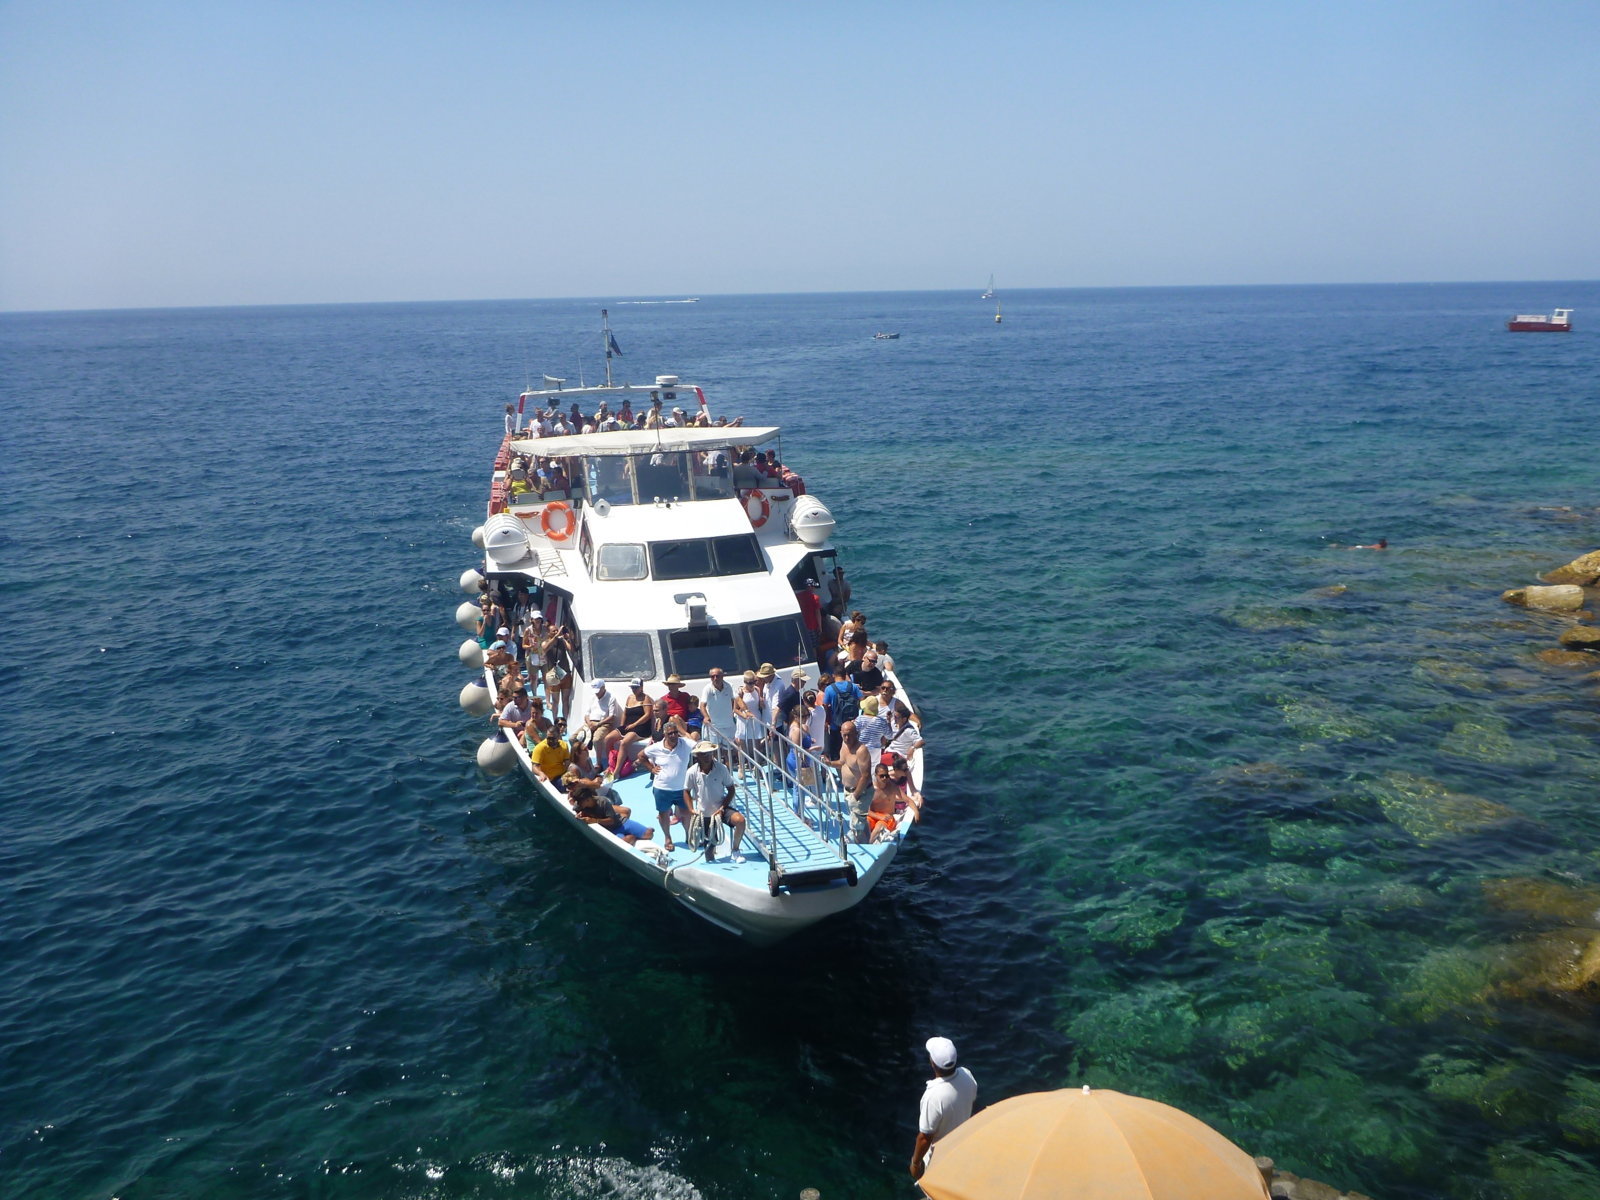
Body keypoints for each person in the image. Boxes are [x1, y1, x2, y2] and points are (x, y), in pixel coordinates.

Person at [910, 1037, 977, 1182]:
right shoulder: (967, 1075)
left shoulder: (933, 1096)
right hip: (962, 1147)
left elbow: (924, 1138)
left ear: (932, 1063)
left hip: (940, 1158)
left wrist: (915, 1163)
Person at [685, 740, 745, 862]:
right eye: (703, 754)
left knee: (740, 821)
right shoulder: (691, 772)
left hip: (722, 808)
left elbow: (731, 789)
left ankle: (735, 850)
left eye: (709, 753)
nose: (707, 756)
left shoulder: (722, 769)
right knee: (709, 852)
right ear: (698, 756)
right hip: (704, 813)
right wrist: (691, 809)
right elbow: (686, 791)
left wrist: (722, 808)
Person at [641, 723, 694, 850]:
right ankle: (668, 838)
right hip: (662, 788)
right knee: (664, 814)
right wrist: (651, 769)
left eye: (675, 732)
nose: (674, 735)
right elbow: (641, 756)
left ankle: (689, 835)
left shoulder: (685, 744)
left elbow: (698, 745)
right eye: (670, 733)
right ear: (665, 734)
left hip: (682, 788)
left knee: (687, 813)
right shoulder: (656, 747)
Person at [824, 720, 872, 841]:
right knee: (859, 820)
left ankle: (861, 850)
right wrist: (829, 763)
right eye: (844, 734)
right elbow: (842, 763)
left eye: (850, 734)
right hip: (848, 791)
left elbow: (865, 775)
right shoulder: (844, 745)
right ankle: (868, 841)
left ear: (856, 733)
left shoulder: (861, 751)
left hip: (860, 793)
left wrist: (855, 796)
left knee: (856, 826)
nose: (847, 737)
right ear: (840, 733)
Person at [582, 678, 624, 770]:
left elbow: (612, 716)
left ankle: (598, 763)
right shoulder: (592, 697)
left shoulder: (611, 698)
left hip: (604, 723)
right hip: (590, 723)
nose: (596, 693)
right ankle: (584, 761)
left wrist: (597, 725)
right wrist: (589, 724)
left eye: (598, 690)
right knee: (573, 738)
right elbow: (586, 714)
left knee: (596, 740)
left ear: (603, 687)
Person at [822, 671, 863, 759]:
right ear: (845, 676)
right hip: (852, 722)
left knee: (836, 748)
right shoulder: (853, 686)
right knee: (852, 744)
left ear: (833, 675)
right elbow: (861, 699)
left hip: (836, 724)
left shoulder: (829, 689)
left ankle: (838, 764)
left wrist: (826, 720)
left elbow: (825, 705)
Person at [698, 667, 737, 745]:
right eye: (712, 676)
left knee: (729, 749)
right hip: (714, 726)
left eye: (717, 676)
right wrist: (706, 716)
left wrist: (734, 711)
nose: (715, 678)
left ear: (722, 676)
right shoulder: (707, 688)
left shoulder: (729, 686)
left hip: (728, 724)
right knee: (714, 749)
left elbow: (735, 699)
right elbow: (702, 705)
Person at [529, 725, 571, 790]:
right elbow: (534, 766)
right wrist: (540, 773)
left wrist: (569, 773)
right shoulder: (540, 748)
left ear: (558, 736)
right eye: (549, 738)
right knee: (570, 785)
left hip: (562, 775)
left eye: (553, 738)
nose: (550, 741)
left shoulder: (564, 745)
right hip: (551, 779)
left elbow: (567, 762)